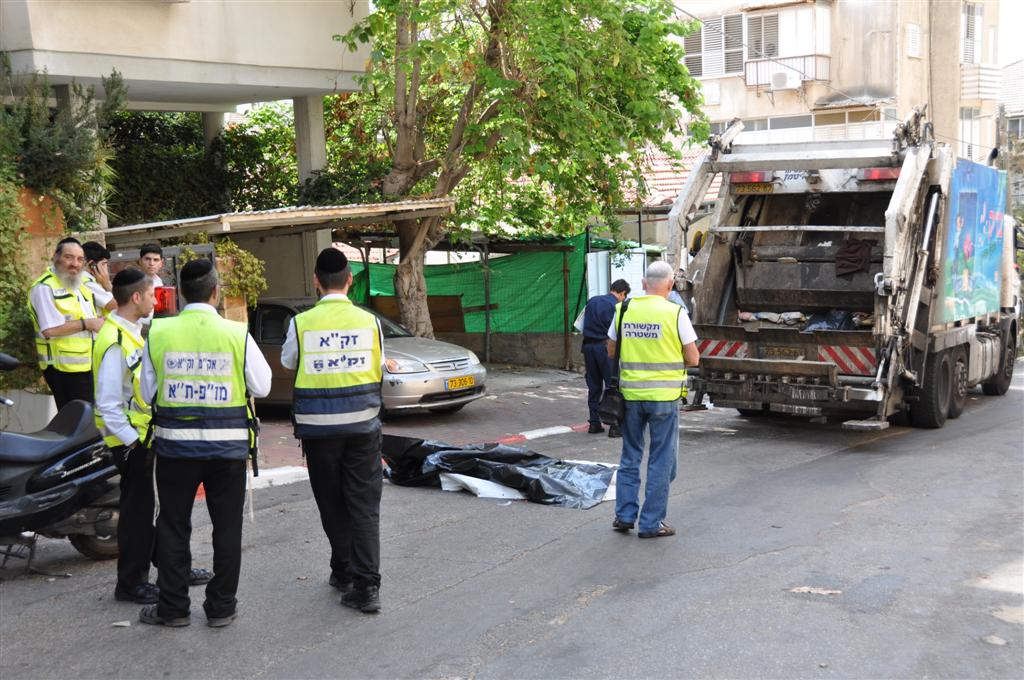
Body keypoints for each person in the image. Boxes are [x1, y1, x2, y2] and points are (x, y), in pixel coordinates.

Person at [139, 259, 271, 628]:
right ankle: (221, 608)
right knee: (227, 528)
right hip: (227, 450)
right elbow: (262, 386)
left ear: (180, 294)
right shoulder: (236, 333)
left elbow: (146, 390)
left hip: (175, 449)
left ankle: (174, 608)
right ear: (216, 292)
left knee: (173, 526)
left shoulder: (159, 332)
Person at [93, 268, 212, 606]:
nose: (153, 300)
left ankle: (174, 567)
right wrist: (133, 442)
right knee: (138, 515)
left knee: (156, 508)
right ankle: (131, 583)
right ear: (135, 297)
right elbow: (108, 403)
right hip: (131, 441)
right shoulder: (114, 339)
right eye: (149, 295)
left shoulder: (132, 331)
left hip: (143, 436)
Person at [280, 248, 386, 614]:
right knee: (364, 504)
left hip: (319, 432)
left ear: (315, 281)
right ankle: (366, 584)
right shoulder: (370, 322)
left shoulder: (301, 323)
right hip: (363, 427)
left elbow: (288, 361)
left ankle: (344, 571)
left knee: (332, 503)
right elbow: (379, 365)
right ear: (350, 280)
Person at [607, 260, 699, 539]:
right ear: (670, 285)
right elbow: (693, 358)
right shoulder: (675, 313)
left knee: (630, 456)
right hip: (664, 399)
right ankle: (650, 523)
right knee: (660, 460)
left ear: (645, 284)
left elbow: (611, 349)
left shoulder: (623, 309)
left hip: (631, 395)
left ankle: (624, 515)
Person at [27, 237, 103, 409]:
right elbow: (49, 330)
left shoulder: (78, 285)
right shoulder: (44, 288)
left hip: (86, 365)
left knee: (89, 420)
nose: (75, 264)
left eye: (79, 259)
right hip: (62, 368)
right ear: (55, 257)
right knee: (76, 422)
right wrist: (88, 323)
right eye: (69, 257)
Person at [580, 279, 630, 437]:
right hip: (605, 348)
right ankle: (614, 426)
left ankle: (594, 423)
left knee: (593, 385)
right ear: (622, 293)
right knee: (612, 385)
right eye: (624, 296)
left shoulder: (592, 301)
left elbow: (580, 324)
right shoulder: (617, 306)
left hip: (588, 347)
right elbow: (618, 331)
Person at [82, 241, 117, 317]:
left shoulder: (92, 280)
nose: (106, 268)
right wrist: (107, 283)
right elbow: (114, 305)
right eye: (103, 264)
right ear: (92, 265)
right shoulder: (87, 282)